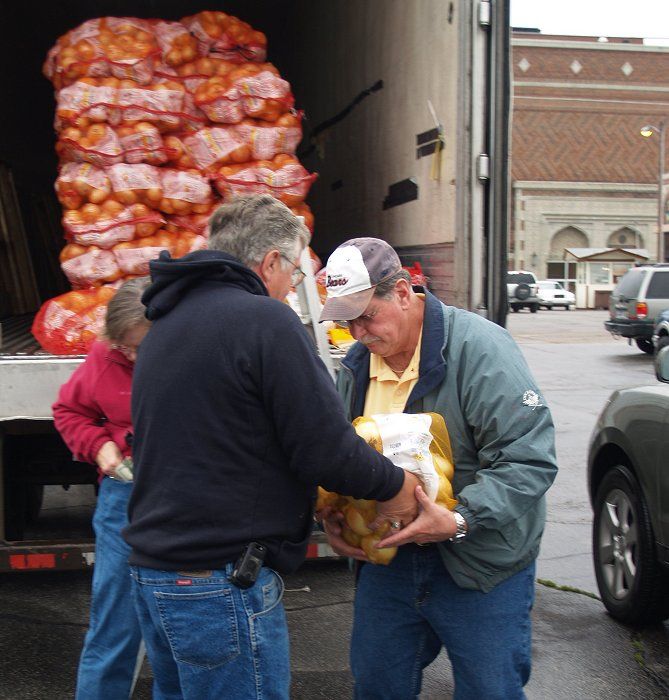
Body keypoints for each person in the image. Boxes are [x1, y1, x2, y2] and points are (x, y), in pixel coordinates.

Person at [122, 195, 419, 700]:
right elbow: (324, 447)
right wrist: (397, 485)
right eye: (295, 274)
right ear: (271, 262)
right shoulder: (265, 321)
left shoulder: (164, 325)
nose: (290, 289)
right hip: (219, 583)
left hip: (157, 577)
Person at [318, 237, 558, 700]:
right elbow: (346, 456)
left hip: (479, 561)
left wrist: (460, 519)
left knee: (490, 691)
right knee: (377, 686)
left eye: (367, 316)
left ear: (403, 293)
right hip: (391, 561)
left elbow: (529, 457)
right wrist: (336, 517)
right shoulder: (356, 366)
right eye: (347, 321)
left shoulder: (481, 349)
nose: (359, 333)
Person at [52, 277, 151, 700]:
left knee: (185, 629)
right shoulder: (106, 355)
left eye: (139, 347)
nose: (131, 357)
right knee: (115, 624)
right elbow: (68, 410)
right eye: (124, 348)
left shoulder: (192, 352)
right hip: (124, 494)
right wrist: (99, 445)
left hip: (186, 494)